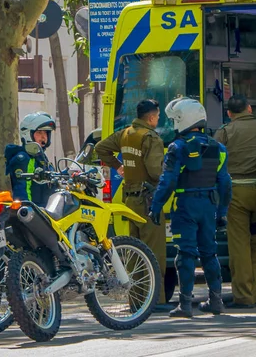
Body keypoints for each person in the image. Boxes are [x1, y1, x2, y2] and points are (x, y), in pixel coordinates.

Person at [149, 97, 232, 318]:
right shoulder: (218, 148)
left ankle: (185, 305)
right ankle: (216, 301)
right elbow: (225, 182)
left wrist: (156, 206)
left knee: (185, 254)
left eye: (176, 119)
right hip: (209, 205)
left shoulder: (178, 147)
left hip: (185, 205)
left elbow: (168, 180)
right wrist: (222, 212)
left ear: (183, 120)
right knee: (209, 253)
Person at [94, 99, 170, 312]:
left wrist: (119, 166)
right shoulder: (151, 138)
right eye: (157, 116)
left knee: (135, 252)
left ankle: (137, 301)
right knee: (154, 252)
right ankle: (157, 300)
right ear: (152, 117)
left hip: (130, 200)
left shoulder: (125, 134)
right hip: (149, 200)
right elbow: (155, 172)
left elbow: (101, 148)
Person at [214, 94, 256, 309]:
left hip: (237, 195)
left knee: (239, 246)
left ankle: (243, 296)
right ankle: (255, 294)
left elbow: (214, 161)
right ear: (249, 109)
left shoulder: (225, 132)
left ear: (229, 114)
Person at [4, 111, 56, 207]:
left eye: (46, 133)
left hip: (47, 211)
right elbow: (22, 189)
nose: (43, 136)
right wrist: (29, 211)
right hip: (34, 213)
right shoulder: (23, 158)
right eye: (39, 132)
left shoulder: (41, 158)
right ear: (28, 134)